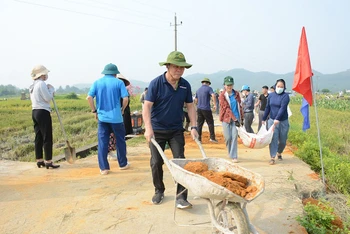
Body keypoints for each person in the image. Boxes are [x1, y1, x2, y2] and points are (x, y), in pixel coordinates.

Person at [143, 51, 198, 209]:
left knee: (180, 161)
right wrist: (148, 129)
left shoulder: (185, 85)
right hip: (157, 130)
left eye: (182, 67)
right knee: (156, 162)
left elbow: (190, 106)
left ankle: (181, 197)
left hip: (175, 130)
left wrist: (194, 126)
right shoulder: (156, 83)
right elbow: (146, 106)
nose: (179, 70)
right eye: (175, 67)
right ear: (167, 66)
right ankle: (159, 190)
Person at [87, 63, 129, 175]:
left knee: (102, 142)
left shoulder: (97, 82)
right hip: (117, 118)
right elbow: (125, 98)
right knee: (120, 141)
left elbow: (89, 97)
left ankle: (104, 168)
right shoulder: (119, 82)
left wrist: (94, 110)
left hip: (102, 118)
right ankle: (123, 164)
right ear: (115, 73)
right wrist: (122, 109)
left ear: (104, 72)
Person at [29, 65, 60, 169]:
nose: (47, 75)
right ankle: (48, 161)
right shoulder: (42, 84)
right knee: (47, 137)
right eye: (46, 73)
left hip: (35, 111)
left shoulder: (33, 85)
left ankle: (39, 160)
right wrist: (51, 90)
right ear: (42, 74)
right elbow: (47, 98)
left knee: (39, 136)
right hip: (43, 111)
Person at [262, 79, 290, 165]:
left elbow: (282, 108)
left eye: (282, 87)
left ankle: (279, 152)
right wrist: (263, 118)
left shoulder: (285, 96)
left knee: (283, 140)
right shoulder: (271, 96)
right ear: (275, 86)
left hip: (283, 121)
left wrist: (277, 119)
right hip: (272, 120)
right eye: (278, 86)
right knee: (273, 139)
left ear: (284, 88)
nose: (280, 88)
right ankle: (272, 157)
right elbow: (268, 107)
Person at [108, 73, 133, 160]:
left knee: (121, 134)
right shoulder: (113, 92)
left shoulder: (123, 91)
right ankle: (111, 152)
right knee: (113, 134)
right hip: (115, 115)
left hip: (123, 114)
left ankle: (121, 152)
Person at [219, 76, 243, 163]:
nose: (229, 87)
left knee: (234, 136)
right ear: (224, 85)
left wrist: (241, 119)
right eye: (227, 85)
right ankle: (230, 152)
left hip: (236, 118)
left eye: (231, 85)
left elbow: (240, 106)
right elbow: (226, 108)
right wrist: (234, 119)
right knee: (228, 137)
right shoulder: (222, 96)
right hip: (226, 118)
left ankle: (234, 155)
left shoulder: (236, 94)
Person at [194, 78, 218, 143]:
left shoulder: (198, 90)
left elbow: (196, 100)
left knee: (199, 124)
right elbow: (213, 95)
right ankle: (212, 138)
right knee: (210, 123)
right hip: (206, 108)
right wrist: (215, 104)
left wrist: (197, 106)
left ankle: (199, 139)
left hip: (199, 108)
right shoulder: (209, 88)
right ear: (208, 83)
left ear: (202, 83)